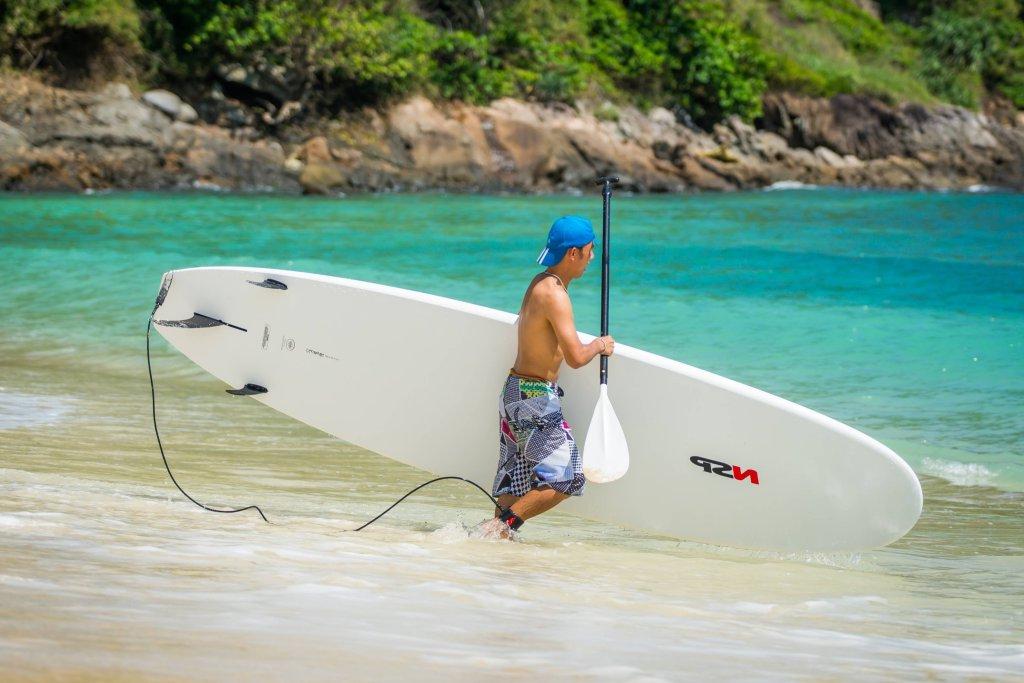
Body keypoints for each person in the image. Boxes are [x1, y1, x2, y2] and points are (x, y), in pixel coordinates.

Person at [483, 215, 615, 538]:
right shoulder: (556, 295)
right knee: (567, 477)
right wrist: (600, 344)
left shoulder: (538, 282)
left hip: (513, 393)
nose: (592, 257)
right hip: (535, 398)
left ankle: (491, 547)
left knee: (515, 480)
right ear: (573, 253)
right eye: (589, 250)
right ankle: (504, 527)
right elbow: (575, 356)